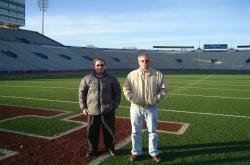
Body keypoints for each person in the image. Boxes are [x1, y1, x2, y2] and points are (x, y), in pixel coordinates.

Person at [123, 53, 168, 163]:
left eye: (147, 61)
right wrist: (133, 99)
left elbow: (164, 89)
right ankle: (136, 152)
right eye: (142, 61)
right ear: (138, 62)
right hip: (135, 107)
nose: (145, 63)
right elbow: (126, 89)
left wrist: (155, 99)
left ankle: (153, 152)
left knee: (152, 131)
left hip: (151, 107)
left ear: (150, 61)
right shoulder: (132, 74)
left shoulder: (158, 74)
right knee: (135, 131)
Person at [79, 57, 121, 157]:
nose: (100, 67)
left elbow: (117, 92)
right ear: (94, 66)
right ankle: (92, 149)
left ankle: (110, 148)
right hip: (92, 110)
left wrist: (114, 105)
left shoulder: (111, 78)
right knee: (92, 132)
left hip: (108, 110)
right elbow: (82, 93)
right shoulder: (87, 78)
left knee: (109, 132)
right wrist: (83, 107)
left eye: (102, 65)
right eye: (97, 65)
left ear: (105, 66)